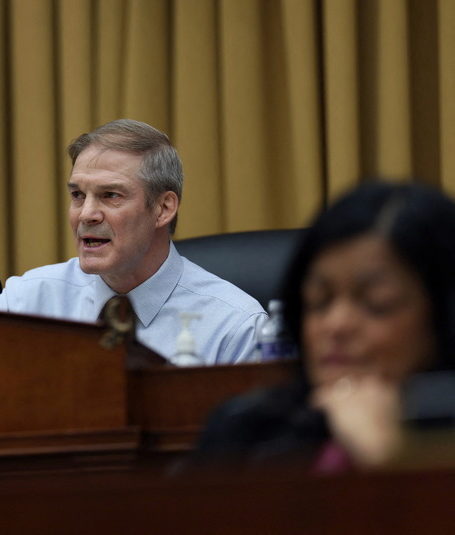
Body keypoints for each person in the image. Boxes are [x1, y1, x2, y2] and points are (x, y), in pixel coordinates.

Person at [0, 119, 267, 364]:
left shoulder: (235, 327)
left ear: (163, 208)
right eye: (78, 195)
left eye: (110, 195)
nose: (86, 214)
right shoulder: (27, 302)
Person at [193, 179, 455, 473]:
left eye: (377, 303)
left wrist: (386, 460)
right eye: (319, 301)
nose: (336, 324)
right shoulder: (244, 431)